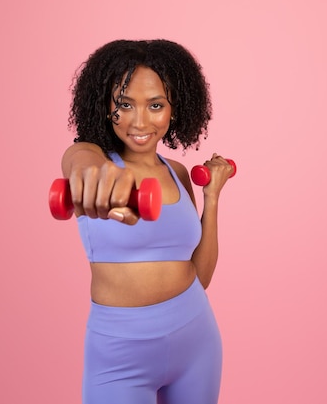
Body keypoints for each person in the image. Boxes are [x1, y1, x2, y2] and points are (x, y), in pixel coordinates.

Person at [60, 39, 233, 404]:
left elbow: (199, 277)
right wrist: (88, 170)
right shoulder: (98, 165)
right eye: (125, 104)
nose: (140, 122)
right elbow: (79, 158)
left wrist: (212, 198)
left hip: (196, 339)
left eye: (155, 105)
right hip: (120, 355)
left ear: (175, 109)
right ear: (105, 107)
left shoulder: (178, 173)